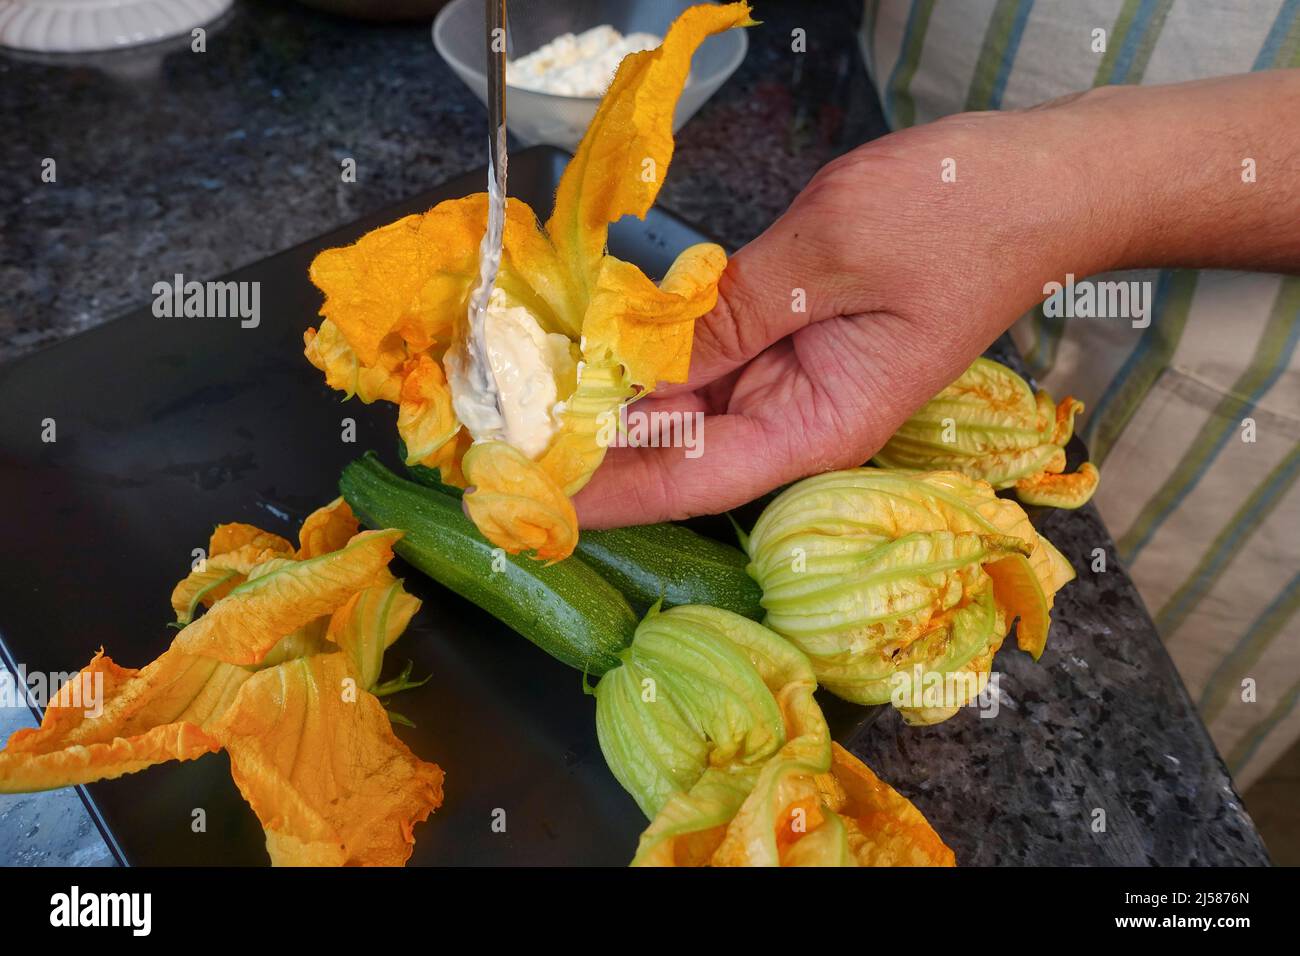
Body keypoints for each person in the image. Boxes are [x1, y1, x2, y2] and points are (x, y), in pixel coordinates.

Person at [574, 1, 1300, 792]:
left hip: (1227, 350)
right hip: (923, 163)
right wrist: (1008, 191)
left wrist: (1054, 190)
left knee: (1164, 708)